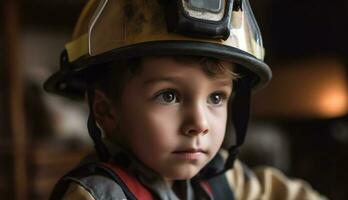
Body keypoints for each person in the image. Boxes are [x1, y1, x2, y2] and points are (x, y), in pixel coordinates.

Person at [44, 0, 327, 199]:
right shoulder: (98, 195)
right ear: (107, 112)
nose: (199, 124)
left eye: (216, 97)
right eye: (169, 96)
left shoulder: (222, 179)